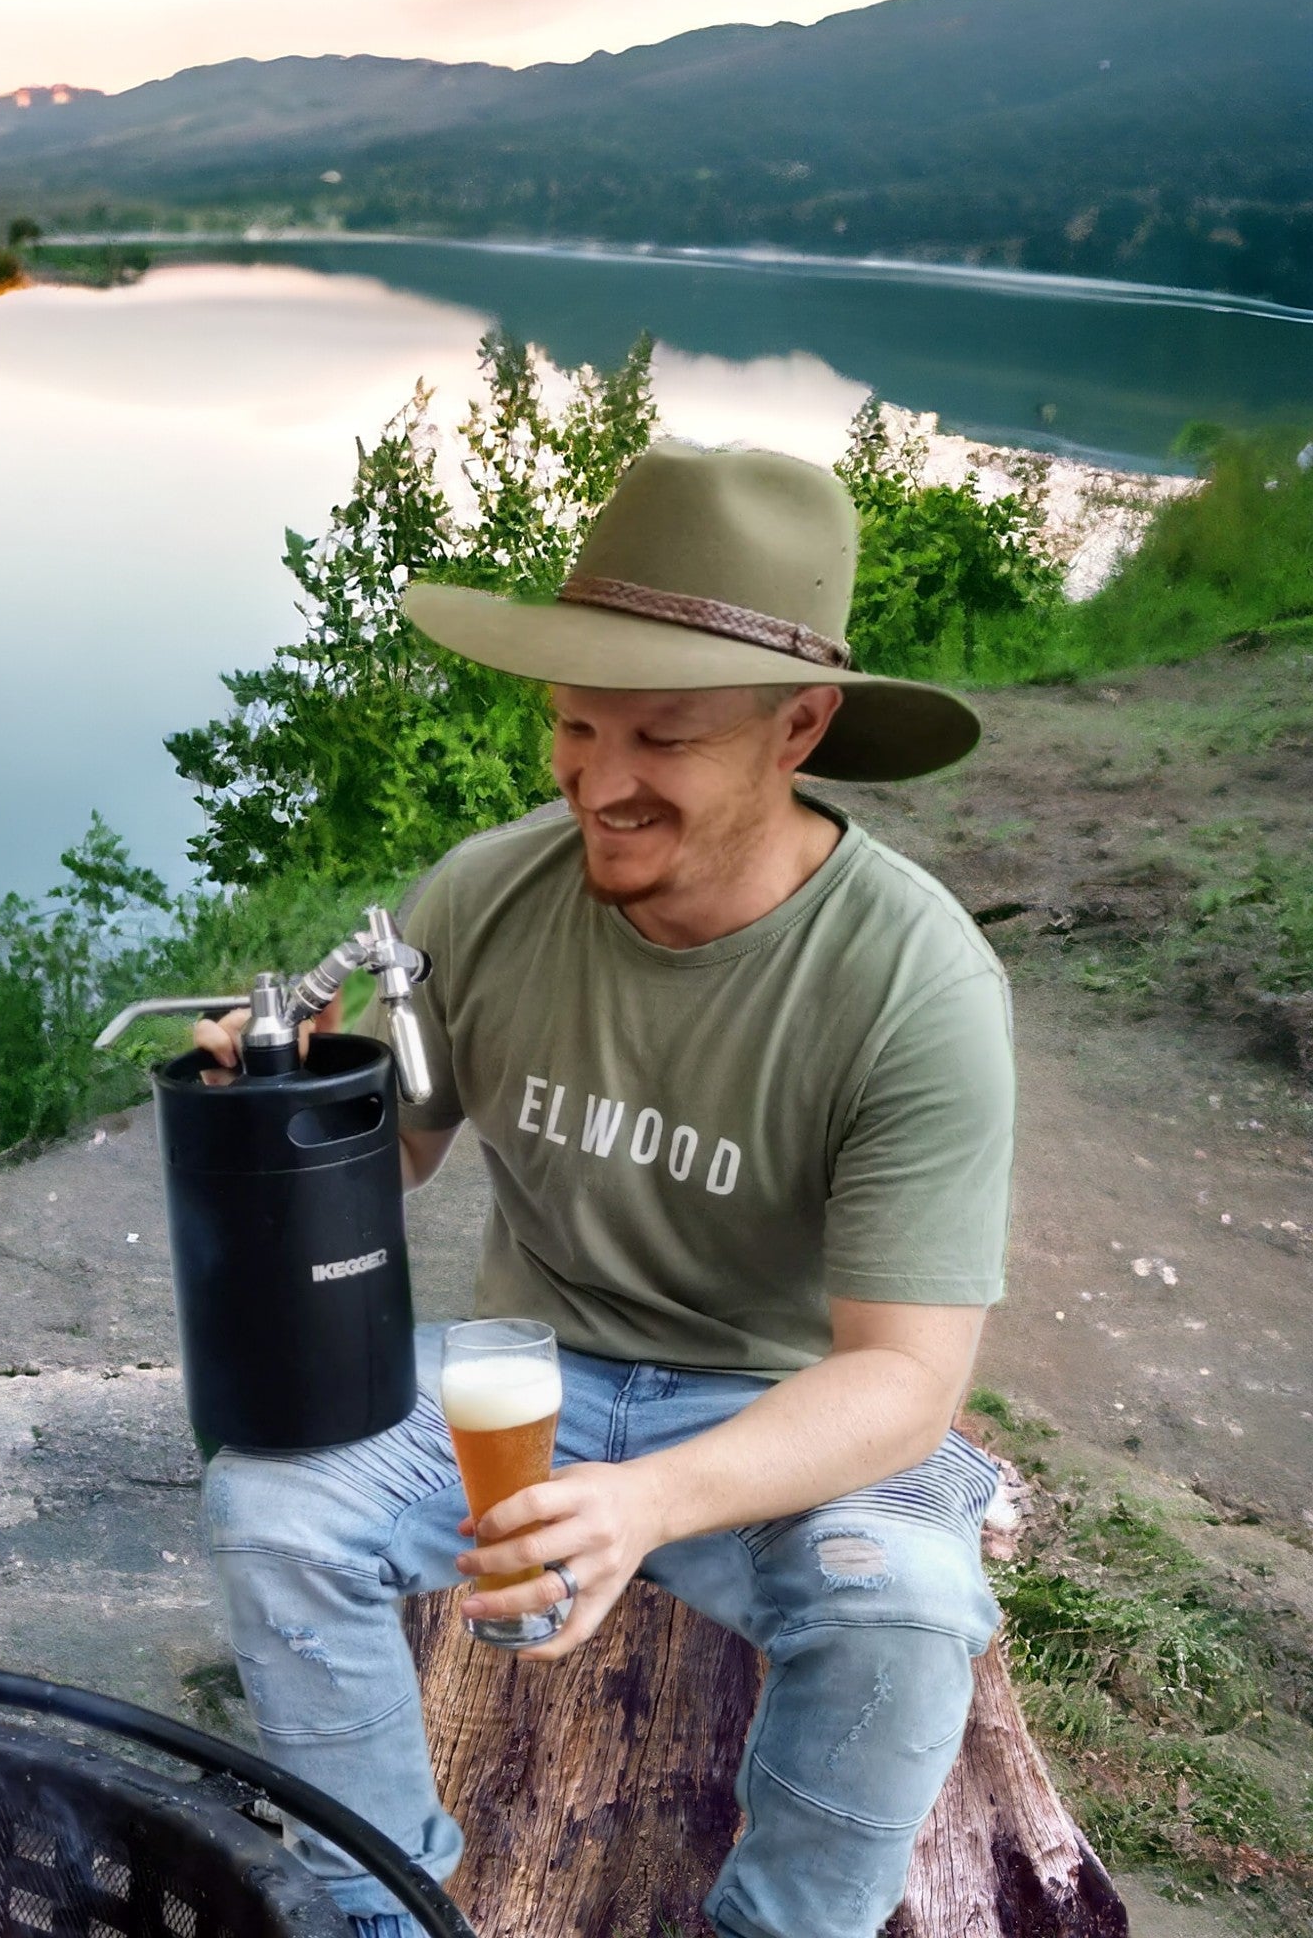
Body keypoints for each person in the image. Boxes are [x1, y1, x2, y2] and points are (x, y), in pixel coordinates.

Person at [194, 441, 1014, 1938]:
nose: (600, 780)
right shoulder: (486, 897)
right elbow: (396, 1157)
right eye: (576, 724)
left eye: (665, 738)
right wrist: (276, 1109)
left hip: (778, 1413)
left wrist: (642, 1504)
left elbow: (904, 1377)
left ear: (801, 727)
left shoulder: (912, 981)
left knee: (902, 1605)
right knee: (274, 1507)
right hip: (526, 1377)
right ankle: (386, 1905)